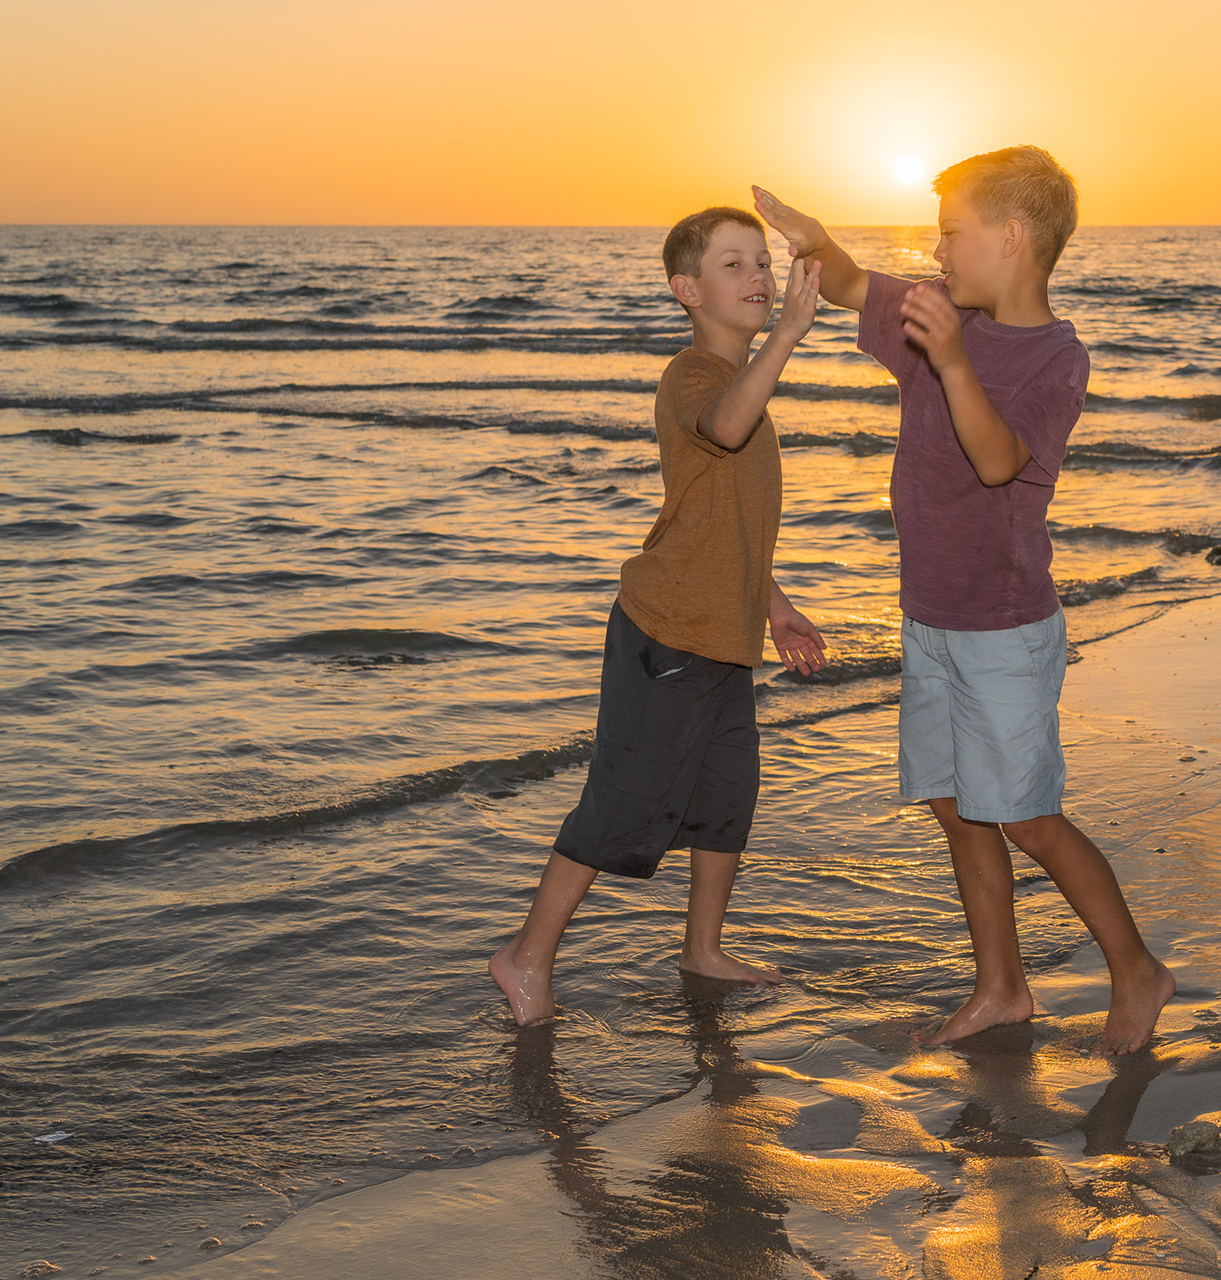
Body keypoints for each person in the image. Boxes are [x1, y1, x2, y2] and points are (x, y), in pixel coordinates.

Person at [753, 147, 1174, 1055]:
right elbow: (855, 282)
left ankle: (1136, 968)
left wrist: (948, 358)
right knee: (954, 802)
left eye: (952, 234)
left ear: (1013, 239)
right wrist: (814, 238)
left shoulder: (1055, 358)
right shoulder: (944, 320)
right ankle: (1002, 987)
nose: (937, 252)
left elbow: (997, 461)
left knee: (1023, 812)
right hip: (930, 615)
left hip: (1005, 628)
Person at [489, 207, 827, 1026]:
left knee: (726, 799)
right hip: (666, 634)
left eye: (763, 264)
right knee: (624, 801)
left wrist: (776, 610)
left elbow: (730, 529)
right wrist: (786, 336)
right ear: (687, 290)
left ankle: (702, 948)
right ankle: (525, 957)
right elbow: (727, 425)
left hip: (723, 639)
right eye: (733, 265)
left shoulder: (742, 379)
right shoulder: (694, 378)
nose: (757, 278)